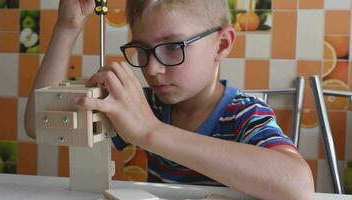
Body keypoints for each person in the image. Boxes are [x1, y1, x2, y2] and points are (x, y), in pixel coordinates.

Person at [25, 0, 315, 199]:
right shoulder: (147, 106)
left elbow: (298, 186)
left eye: (174, 47)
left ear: (222, 44)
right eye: (142, 49)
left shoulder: (243, 113)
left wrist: (151, 132)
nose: (152, 69)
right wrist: (68, 26)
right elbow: (39, 125)